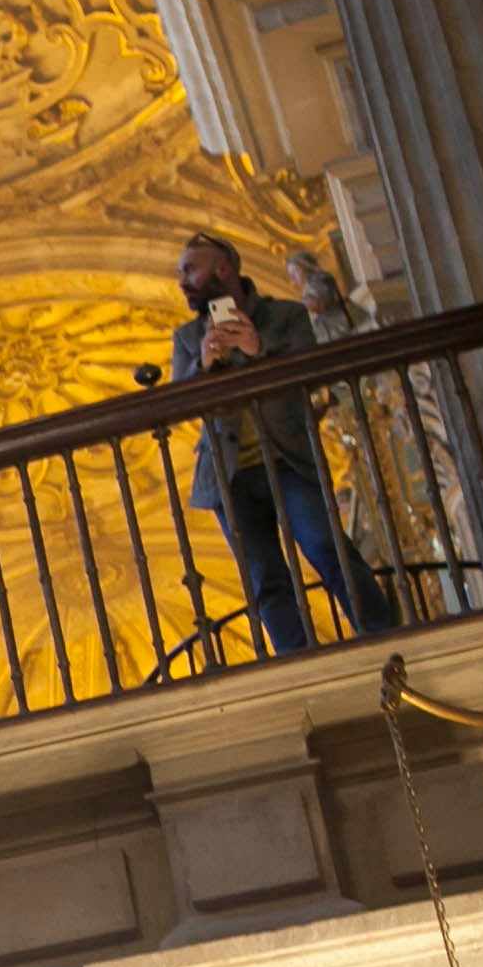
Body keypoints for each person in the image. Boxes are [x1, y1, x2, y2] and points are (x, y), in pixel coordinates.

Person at [170, 231, 400, 655]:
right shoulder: (187, 339)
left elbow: (309, 373)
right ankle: (299, 660)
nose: (182, 280)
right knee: (265, 580)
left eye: (190, 269)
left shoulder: (287, 316)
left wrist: (259, 350)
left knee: (326, 546)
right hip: (229, 475)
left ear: (223, 268)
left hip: (288, 458)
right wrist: (204, 366)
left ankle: (385, 635)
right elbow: (177, 405)